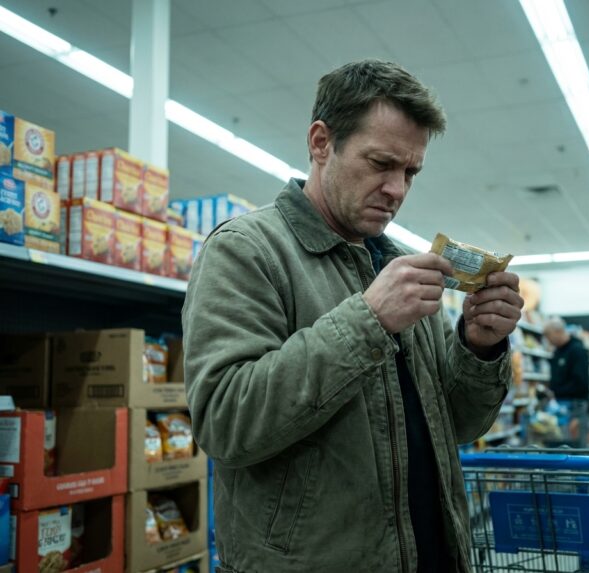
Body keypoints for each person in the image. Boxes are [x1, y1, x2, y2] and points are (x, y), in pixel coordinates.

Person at [182, 60, 524, 573]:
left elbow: (456, 426)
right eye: (381, 163)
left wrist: (479, 347)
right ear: (322, 142)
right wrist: (368, 321)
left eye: (410, 171)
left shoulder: (400, 266)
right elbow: (225, 421)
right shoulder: (246, 251)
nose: (397, 189)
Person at [542, 318, 589, 446]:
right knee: (559, 443)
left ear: (558, 331)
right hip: (561, 405)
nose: (548, 340)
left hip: (575, 406)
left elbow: (581, 382)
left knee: (574, 446)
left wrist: (556, 391)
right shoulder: (557, 351)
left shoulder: (577, 350)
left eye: (549, 335)